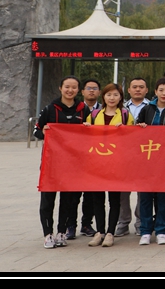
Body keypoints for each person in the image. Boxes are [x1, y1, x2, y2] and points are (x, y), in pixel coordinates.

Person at [35, 76, 90, 249]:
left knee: (69, 200)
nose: (70, 90)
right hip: (51, 162)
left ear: (78, 90)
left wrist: (88, 128)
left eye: (74, 87)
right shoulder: (50, 109)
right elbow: (36, 131)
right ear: (60, 88)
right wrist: (44, 132)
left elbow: (92, 134)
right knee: (47, 200)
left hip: (73, 163)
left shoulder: (83, 110)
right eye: (67, 87)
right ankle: (48, 234)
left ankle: (61, 232)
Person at [83, 83, 134, 248]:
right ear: (103, 96)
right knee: (97, 199)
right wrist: (86, 128)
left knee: (114, 199)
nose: (112, 98)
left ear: (121, 97)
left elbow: (133, 138)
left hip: (116, 163)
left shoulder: (125, 115)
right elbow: (85, 137)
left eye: (115, 95)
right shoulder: (94, 114)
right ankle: (100, 232)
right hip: (97, 162)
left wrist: (125, 129)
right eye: (109, 95)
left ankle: (110, 232)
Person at [135, 77, 165, 245]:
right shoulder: (147, 109)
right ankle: (145, 231)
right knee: (145, 197)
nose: (164, 93)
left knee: (164, 197)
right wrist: (141, 127)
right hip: (147, 160)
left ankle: (161, 230)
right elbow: (135, 131)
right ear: (155, 91)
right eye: (161, 90)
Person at [116, 77, 150, 238]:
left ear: (147, 90)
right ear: (128, 90)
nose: (138, 89)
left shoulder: (152, 107)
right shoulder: (120, 108)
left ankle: (140, 222)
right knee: (122, 191)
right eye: (134, 87)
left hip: (145, 154)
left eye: (141, 87)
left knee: (143, 192)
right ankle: (123, 222)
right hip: (123, 155)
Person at [76, 78, 102, 239]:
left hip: (97, 157)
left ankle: (86, 224)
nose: (92, 91)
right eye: (88, 88)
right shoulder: (77, 108)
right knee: (73, 194)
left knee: (91, 195)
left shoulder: (104, 110)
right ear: (82, 91)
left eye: (95, 88)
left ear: (100, 92)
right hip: (77, 157)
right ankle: (69, 225)